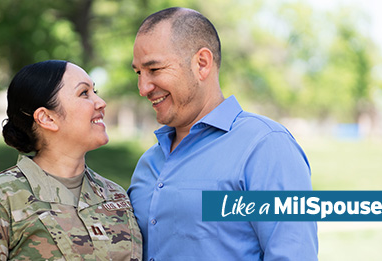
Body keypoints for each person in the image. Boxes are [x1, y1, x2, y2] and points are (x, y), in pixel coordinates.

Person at [127, 7, 318, 261]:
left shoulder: (265, 147)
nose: (143, 87)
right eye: (139, 73)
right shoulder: (148, 164)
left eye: (155, 69)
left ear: (202, 64)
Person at [0, 60, 142, 261]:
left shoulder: (116, 197)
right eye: (84, 93)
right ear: (47, 118)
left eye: (95, 91)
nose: (101, 102)